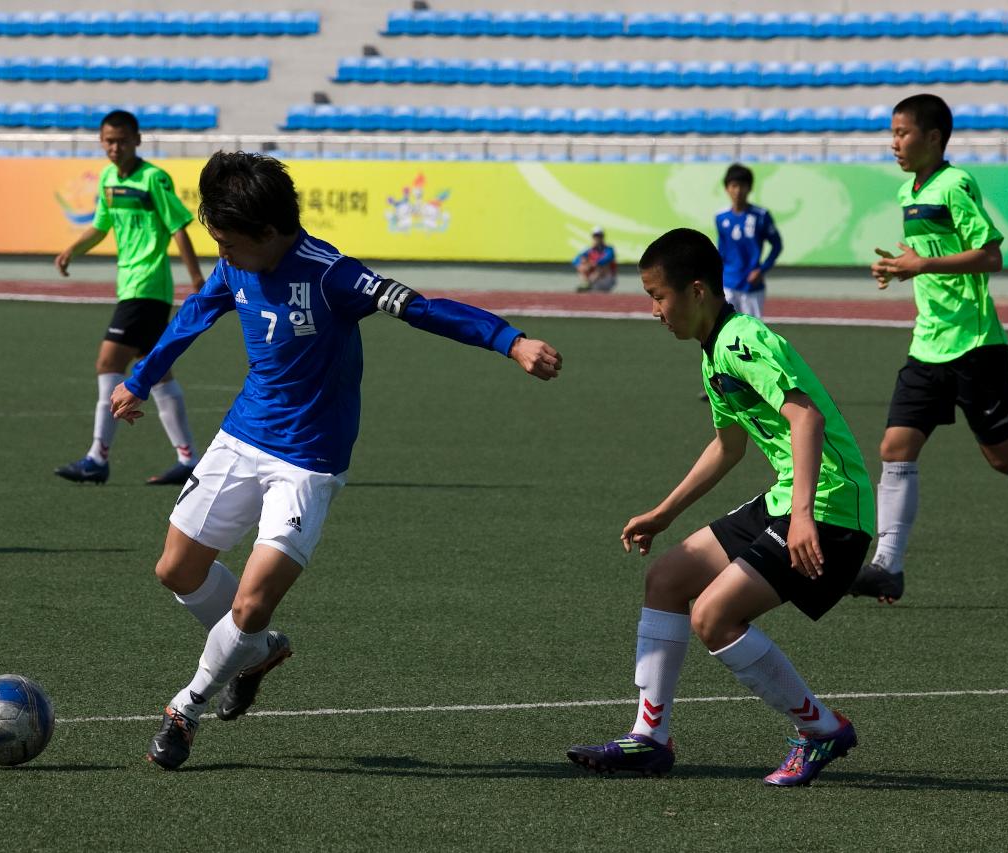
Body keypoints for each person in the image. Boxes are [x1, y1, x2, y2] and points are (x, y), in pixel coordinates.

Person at [108, 152, 563, 770]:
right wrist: (141, 377)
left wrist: (510, 340)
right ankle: (258, 652)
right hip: (242, 436)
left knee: (250, 603)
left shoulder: (333, 276)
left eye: (230, 240)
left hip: (308, 460)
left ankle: (184, 710)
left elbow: (423, 308)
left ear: (269, 232)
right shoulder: (234, 261)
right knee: (176, 570)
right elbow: (194, 314)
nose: (223, 251)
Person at [566, 228, 874, 787]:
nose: (655, 311)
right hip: (793, 495)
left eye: (659, 297)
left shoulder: (743, 341)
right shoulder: (713, 353)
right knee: (667, 578)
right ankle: (650, 740)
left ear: (699, 290)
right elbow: (728, 446)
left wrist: (802, 514)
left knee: (714, 615)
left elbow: (807, 418)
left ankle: (822, 730)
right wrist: (664, 513)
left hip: (831, 507)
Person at [853, 94, 1008, 604]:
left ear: (934, 137)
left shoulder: (955, 185)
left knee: (1002, 457)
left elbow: (990, 255)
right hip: (927, 344)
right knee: (895, 447)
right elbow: (928, 256)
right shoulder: (907, 191)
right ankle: (887, 567)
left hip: (975, 345)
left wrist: (921, 267)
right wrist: (899, 267)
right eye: (892, 133)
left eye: (903, 133)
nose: (895, 143)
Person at [52, 109, 206, 486]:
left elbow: (179, 228)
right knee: (158, 374)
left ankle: (96, 457)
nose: (114, 147)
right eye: (108, 140)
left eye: (121, 140)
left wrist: (197, 278)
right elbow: (101, 226)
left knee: (108, 361)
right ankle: (188, 459)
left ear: (137, 140)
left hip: (147, 287)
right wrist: (73, 248)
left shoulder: (153, 178)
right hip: (132, 286)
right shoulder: (108, 178)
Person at [715, 163, 782, 319]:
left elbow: (777, 245)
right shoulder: (720, 217)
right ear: (727, 188)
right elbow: (722, 250)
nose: (738, 191)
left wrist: (762, 270)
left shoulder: (761, 215)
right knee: (724, 328)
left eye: (742, 186)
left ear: (750, 188)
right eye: (734, 186)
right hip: (728, 285)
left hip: (751, 286)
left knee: (753, 333)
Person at [574, 227, 617, 292]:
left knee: (603, 266)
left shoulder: (609, 249)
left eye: (599, 236)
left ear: (603, 237)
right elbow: (575, 260)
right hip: (592, 277)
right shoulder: (589, 250)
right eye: (595, 236)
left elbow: (607, 259)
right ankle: (586, 283)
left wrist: (593, 263)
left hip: (606, 278)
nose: (597, 238)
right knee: (582, 263)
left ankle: (588, 284)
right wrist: (585, 265)